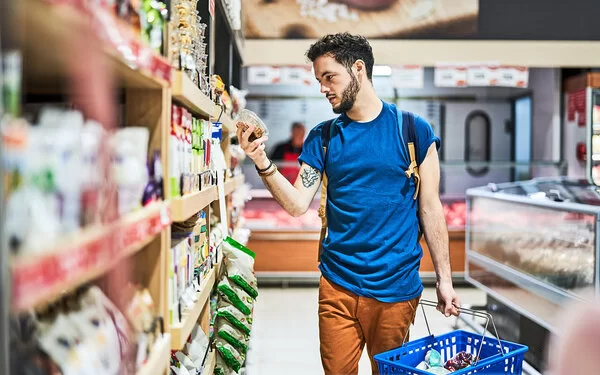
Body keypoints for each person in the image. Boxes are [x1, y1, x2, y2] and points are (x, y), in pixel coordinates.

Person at [236, 32, 460, 375]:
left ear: (358, 69)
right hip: (337, 285)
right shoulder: (323, 138)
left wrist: (445, 279)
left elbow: (430, 209)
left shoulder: (414, 131)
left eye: (329, 77)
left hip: (396, 288)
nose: (323, 88)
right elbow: (297, 204)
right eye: (319, 80)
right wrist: (262, 162)